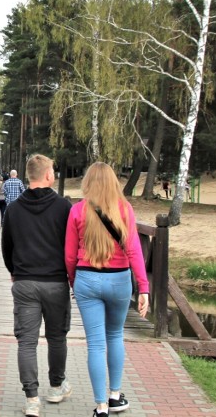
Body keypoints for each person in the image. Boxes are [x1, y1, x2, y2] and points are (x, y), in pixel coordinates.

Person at [64, 162, 150, 417]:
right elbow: (134, 250)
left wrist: (73, 281)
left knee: (96, 345)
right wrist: (143, 287)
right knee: (115, 336)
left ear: (88, 182)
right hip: (119, 280)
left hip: (87, 279)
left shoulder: (78, 211)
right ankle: (115, 395)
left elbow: (69, 255)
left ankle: (100, 407)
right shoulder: (124, 209)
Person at [1, 154, 73, 417]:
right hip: (55, 281)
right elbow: (71, 246)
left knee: (26, 342)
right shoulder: (63, 207)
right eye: (52, 170)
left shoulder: (14, 209)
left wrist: (14, 271)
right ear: (47, 175)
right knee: (57, 338)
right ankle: (56, 387)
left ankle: (32, 399)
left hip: (24, 281)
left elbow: (6, 246)